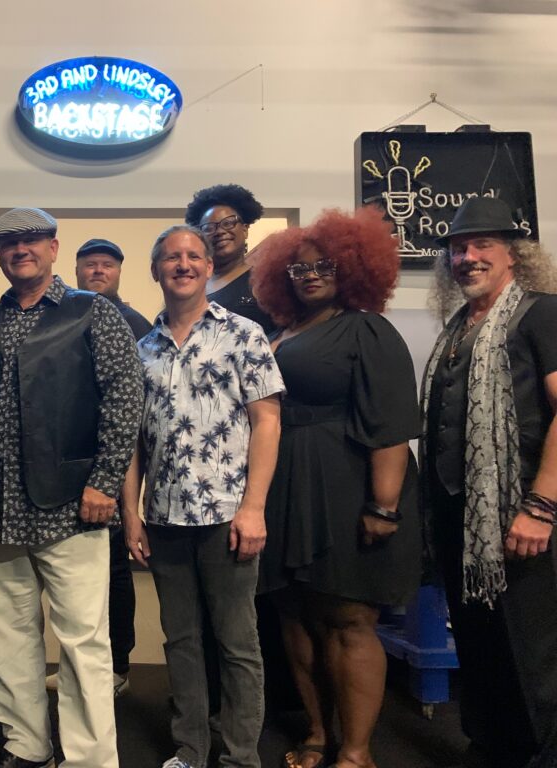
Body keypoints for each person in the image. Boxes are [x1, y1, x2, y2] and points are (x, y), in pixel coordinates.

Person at [0, 207, 142, 768]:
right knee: (6, 636)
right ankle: (27, 745)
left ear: (54, 248)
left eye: (31, 240)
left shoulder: (92, 311)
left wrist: (104, 481)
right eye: (9, 243)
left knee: (83, 641)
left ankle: (88, 759)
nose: (20, 249)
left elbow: (125, 396)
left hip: (73, 507)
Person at [250, 207, 422, 768]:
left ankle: (356, 751)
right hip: (285, 486)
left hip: (347, 486)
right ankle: (319, 733)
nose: (311, 275)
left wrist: (384, 505)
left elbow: (391, 421)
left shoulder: (365, 328)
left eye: (324, 265)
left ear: (351, 266)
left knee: (349, 619)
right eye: (299, 268)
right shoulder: (279, 334)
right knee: (296, 616)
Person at [123, 224, 283, 768]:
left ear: (209, 267)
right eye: (171, 257)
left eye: (193, 256)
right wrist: (131, 515)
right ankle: (190, 750)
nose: (183, 264)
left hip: (228, 517)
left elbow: (267, 422)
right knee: (181, 640)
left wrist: (254, 508)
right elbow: (134, 442)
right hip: (165, 519)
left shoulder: (243, 334)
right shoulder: (143, 349)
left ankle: (240, 757)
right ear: (156, 270)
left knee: (237, 643)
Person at [421, 196, 557, 768]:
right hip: (461, 516)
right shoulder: (458, 326)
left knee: (530, 653)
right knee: (479, 644)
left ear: (513, 255)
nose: (467, 257)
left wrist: (542, 505)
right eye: (458, 248)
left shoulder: (541, 313)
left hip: (521, 512)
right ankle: (491, 748)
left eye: (482, 245)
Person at [52, 235, 151, 699]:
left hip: (114, 469)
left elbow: (133, 411)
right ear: (75, 270)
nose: (97, 271)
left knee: (113, 572)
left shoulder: (136, 324)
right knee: (74, 581)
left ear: (119, 272)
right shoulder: (64, 318)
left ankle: (117, 667)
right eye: (89, 264)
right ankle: (80, 669)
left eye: (106, 265)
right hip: (67, 472)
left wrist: (121, 490)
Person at [185, 183, 276, 336]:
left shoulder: (264, 281)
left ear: (245, 229)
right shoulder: (194, 285)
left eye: (228, 223)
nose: (220, 231)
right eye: (209, 228)